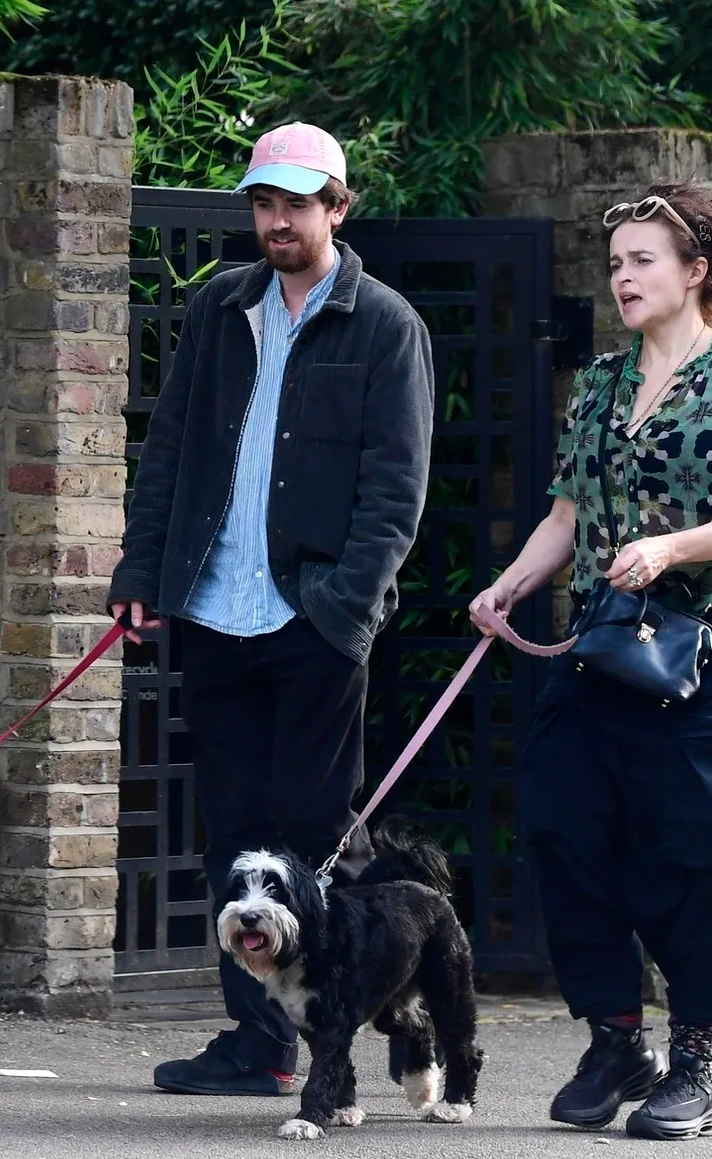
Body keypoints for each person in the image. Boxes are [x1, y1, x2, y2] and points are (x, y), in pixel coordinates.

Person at [470, 181, 712, 1140]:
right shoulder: (601, 386)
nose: (621, 277)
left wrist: (670, 546)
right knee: (562, 823)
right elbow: (565, 517)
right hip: (604, 637)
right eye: (614, 263)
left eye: (641, 260)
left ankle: (693, 1061)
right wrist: (508, 586)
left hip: (709, 639)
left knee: (700, 846)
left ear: (696, 271)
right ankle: (615, 1036)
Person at [107, 123, 434, 1096]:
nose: (277, 219)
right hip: (212, 611)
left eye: (296, 202)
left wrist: (343, 610)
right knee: (236, 837)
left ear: (338, 205)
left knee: (322, 834)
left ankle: (391, 1009)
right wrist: (140, 572)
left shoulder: (384, 326)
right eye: (263, 202)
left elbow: (395, 492)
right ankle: (259, 1044)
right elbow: (167, 449)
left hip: (313, 623)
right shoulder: (219, 308)